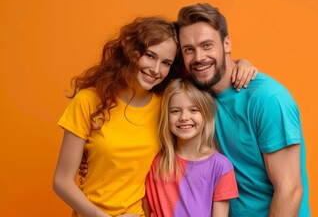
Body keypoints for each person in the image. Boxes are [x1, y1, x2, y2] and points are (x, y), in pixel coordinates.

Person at [53, 16, 257, 217]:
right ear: (131, 52)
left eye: (166, 62)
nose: (156, 69)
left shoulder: (166, 105)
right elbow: (61, 182)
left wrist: (241, 64)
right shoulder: (88, 101)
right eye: (150, 55)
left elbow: (202, 81)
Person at [176, 3, 310, 217]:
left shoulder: (268, 99)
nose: (199, 57)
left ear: (226, 44)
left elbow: (290, 191)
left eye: (207, 45)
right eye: (189, 50)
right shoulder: (196, 97)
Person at [143, 78, 238, 217]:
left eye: (194, 110)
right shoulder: (156, 163)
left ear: (206, 114)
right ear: (166, 117)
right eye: (175, 111)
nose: (184, 117)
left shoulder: (221, 167)